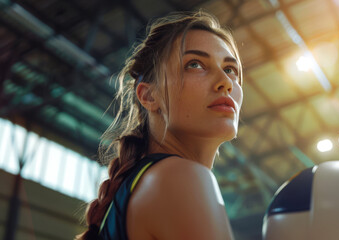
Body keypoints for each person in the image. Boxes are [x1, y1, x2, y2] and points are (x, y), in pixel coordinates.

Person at [76, 10, 243, 240]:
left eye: (230, 69)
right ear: (149, 96)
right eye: (195, 64)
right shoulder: (181, 177)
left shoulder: (138, 188)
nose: (225, 82)